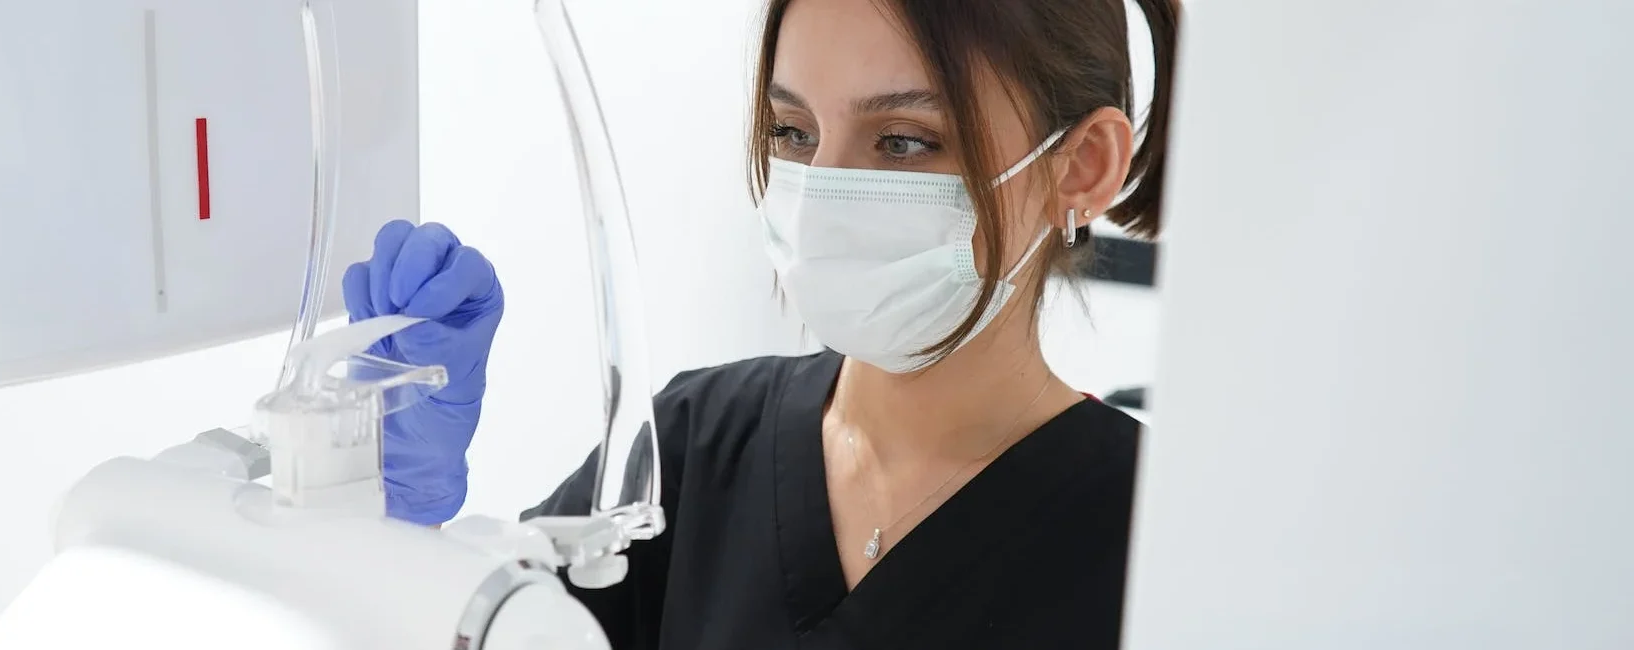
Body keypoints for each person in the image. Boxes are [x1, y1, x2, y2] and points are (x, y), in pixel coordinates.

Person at [344, 0, 1179, 646]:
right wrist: (395, 524)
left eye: (903, 141)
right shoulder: (693, 446)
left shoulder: (1163, 543)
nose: (821, 194)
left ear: (1083, 167)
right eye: (793, 131)